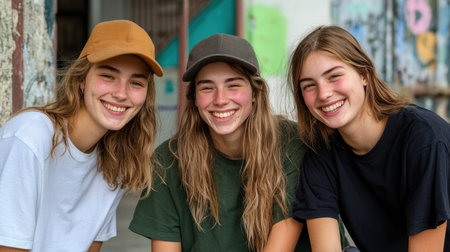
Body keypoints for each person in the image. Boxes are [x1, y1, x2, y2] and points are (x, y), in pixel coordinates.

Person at [129, 33, 335, 252]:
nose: (220, 99)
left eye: (233, 85)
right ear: (194, 98)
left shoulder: (294, 143)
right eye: (207, 88)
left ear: (255, 92)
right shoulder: (167, 162)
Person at [0, 20, 163, 252]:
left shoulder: (115, 163)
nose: (121, 93)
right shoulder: (29, 138)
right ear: (81, 80)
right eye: (108, 75)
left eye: (136, 82)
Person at [289, 25, 450, 252]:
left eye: (334, 76)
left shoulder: (423, 139)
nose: (323, 93)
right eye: (309, 86)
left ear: (364, 75)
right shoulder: (321, 153)